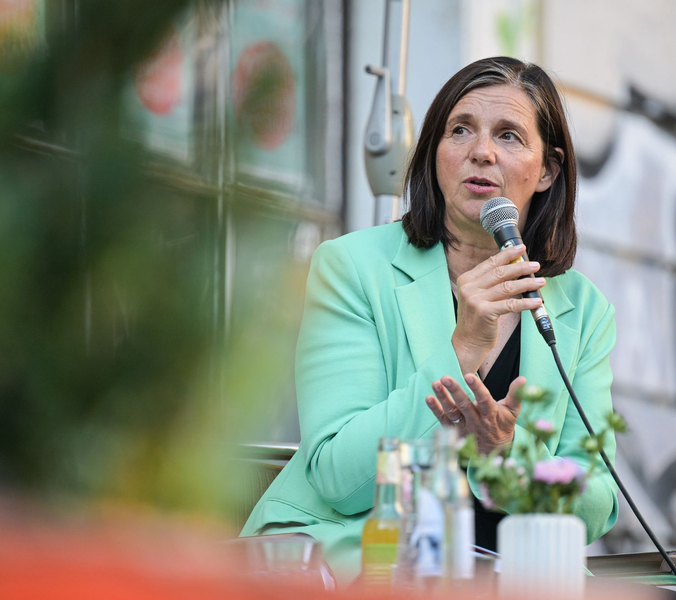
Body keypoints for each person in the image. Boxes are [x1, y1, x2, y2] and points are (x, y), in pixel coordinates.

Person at [240, 56, 619, 584]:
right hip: (355, 558)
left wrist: (508, 460)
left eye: (509, 136)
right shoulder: (352, 268)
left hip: (512, 575)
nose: (480, 152)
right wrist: (461, 347)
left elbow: (598, 501)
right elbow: (337, 477)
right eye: (460, 129)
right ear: (435, 153)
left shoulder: (582, 309)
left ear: (548, 169)